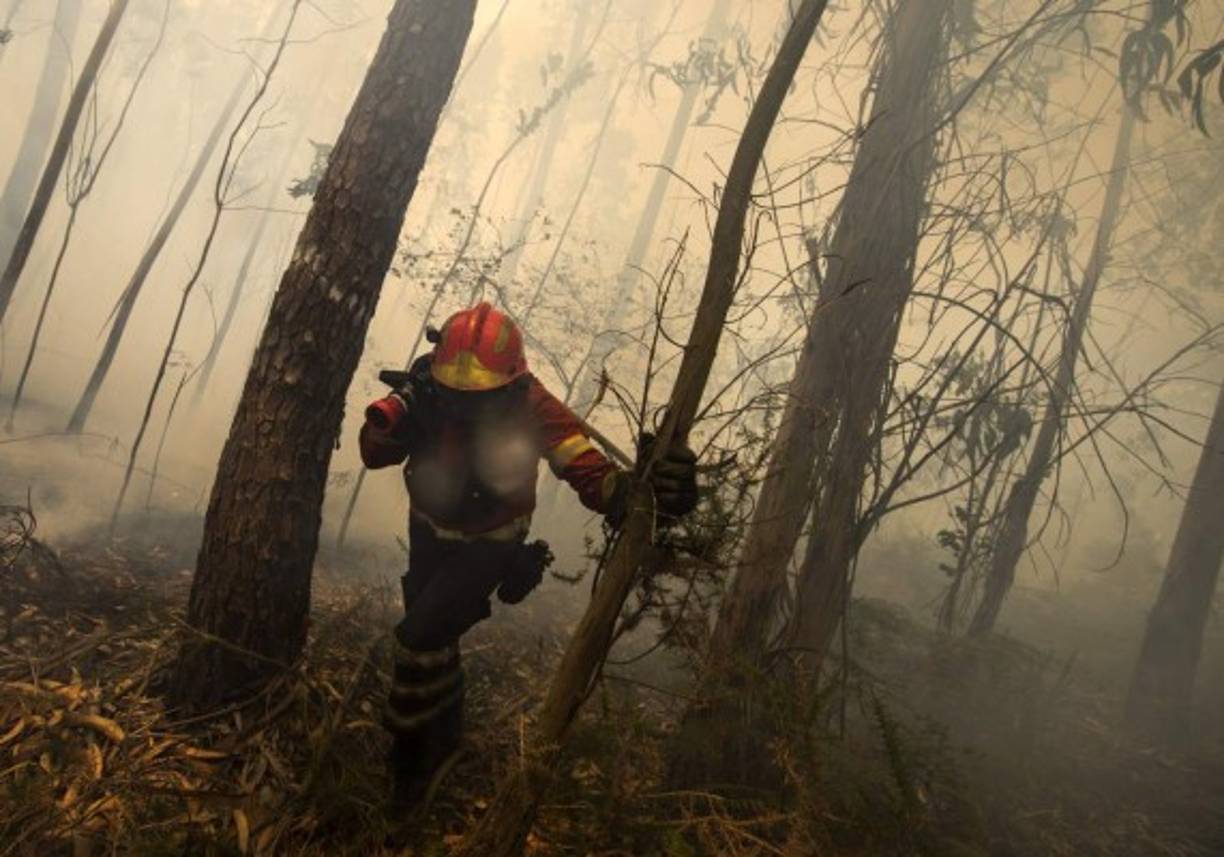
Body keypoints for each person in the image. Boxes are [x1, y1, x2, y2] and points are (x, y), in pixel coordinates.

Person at [359, 302, 698, 808]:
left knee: (418, 635)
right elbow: (375, 453)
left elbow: (596, 479)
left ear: (510, 380)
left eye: (479, 394)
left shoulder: (532, 406)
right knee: (436, 637)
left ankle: (413, 763)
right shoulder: (427, 386)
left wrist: (653, 489)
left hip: (491, 540)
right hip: (427, 528)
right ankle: (445, 734)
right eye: (456, 391)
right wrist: (389, 425)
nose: (464, 403)